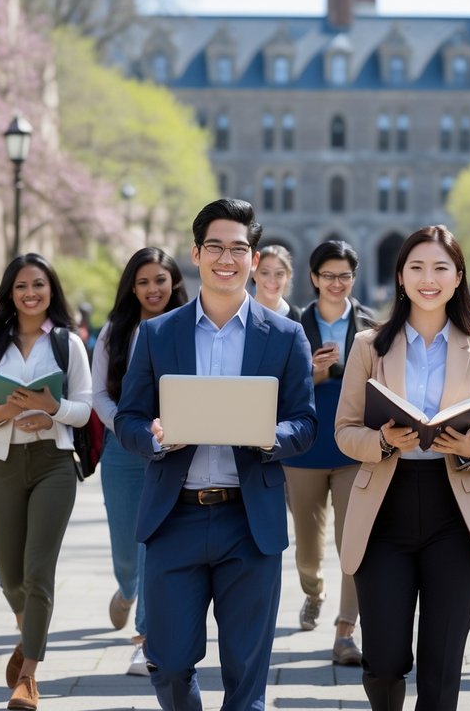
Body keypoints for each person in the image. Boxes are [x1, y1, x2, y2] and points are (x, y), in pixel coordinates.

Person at [115, 198, 316, 711]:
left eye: (239, 249)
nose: (227, 258)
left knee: (246, 674)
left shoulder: (288, 337)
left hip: (249, 523)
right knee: (168, 661)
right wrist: (154, 436)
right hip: (174, 517)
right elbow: (128, 418)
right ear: (196, 253)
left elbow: (305, 423)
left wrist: (273, 436)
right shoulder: (159, 333)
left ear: (253, 258)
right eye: (216, 247)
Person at [335, 225, 470, 711]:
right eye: (417, 268)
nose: (428, 279)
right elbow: (345, 432)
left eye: (440, 268)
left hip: (454, 512)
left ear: (457, 278)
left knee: (442, 664)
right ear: (400, 277)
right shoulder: (369, 346)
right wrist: (383, 441)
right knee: (384, 660)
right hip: (384, 511)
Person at [0, 253, 93, 711]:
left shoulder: (67, 342)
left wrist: (50, 407)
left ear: (50, 290)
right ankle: (30, 633)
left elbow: (84, 407)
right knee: (8, 575)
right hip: (2, 462)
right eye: (22, 286)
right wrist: (11, 411)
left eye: (38, 284)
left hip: (53, 463)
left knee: (38, 572)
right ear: (10, 293)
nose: (30, 293)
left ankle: (28, 678)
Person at [91, 248, 189, 675]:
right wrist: (127, 429)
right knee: (128, 549)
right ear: (133, 287)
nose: (153, 289)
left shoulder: (191, 326)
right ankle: (126, 589)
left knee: (157, 544)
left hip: (174, 451)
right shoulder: (115, 331)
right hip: (123, 450)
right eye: (144, 282)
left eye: (161, 281)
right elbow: (98, 394)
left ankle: (146, 637)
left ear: (174, 283)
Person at [286, 240, 375, 664]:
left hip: (354, 449)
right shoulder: (291, 327)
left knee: (353, 543)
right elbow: (280, 391)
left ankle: (345, 631)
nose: (336, 284)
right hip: (304, 450)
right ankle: (313, 590)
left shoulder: (373, 328)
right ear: (313, 279)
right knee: (307, 550)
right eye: (328, 276)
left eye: (344, 276)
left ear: (353, 279)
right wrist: (314, 374)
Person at [251, 244, 301, 320]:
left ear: (288, 275)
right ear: (254, 274)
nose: (272, 280)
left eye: (279, 273)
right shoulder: (239, 316)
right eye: (265, 273)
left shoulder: (299, 319)